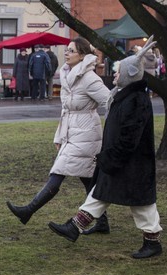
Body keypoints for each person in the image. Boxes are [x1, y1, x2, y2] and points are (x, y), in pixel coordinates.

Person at [48, 37, 163, 259]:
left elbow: (130, 136)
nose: (115, 75)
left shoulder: (137, 100)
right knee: (100, 192)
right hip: (118, 159)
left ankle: (153, 242)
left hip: (132, 163)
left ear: (129, 75)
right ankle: (75, 227)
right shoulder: (125, 95)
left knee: (142, 205)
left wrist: (113, 157)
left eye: (119, 72)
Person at [7, 37, 110, 230]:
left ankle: (28, 210)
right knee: (88, 179)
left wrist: (112, 132)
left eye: (71, 50)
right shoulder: (68, 76)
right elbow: (66, 112)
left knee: (58, 172)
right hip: (72, 133)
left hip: (86, 134)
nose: (67, 53)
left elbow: (110, 102)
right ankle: (103, 222)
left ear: (82, 55)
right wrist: (59, 136)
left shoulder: (89, 78)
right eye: (67, 50)